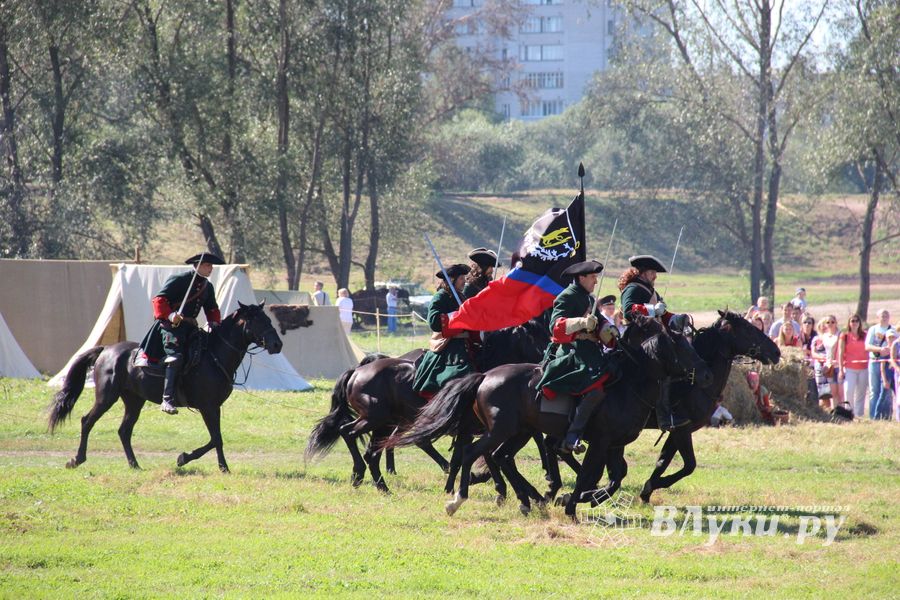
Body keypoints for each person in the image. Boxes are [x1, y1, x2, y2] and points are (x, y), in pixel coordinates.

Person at [536, 260, 618, 453]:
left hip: (591, 351)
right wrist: (581, 322)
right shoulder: (566, 296)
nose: (596, 282)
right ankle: (573, 435)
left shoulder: (589, 299)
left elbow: (599, 324)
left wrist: (609, 330)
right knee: (595, 388)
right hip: (571, 351)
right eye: (592, 277)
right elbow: (555, 326)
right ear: (581, 278)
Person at [139, 252, 225, 415]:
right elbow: (159, 300)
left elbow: (212, 308)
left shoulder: (208, 286)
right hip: (171, 327)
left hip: (191, 328)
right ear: (198, 265)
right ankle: (167, 399)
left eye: (211, 266)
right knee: (176, 358)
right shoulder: (180, 279)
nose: (211, 268)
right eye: (208, 265)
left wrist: (214, 322)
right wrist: (171, 315)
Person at [618, 254, 690, 431]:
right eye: (652, 272)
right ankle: (664, 418)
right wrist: (651, 309)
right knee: (661, 373)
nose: (655, 276)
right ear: (643, 273)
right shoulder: (632, 289)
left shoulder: (651, 291)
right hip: (637, 339)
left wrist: (676, 318)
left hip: (654, 339)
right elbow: (629, 311)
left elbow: (662, 315)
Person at [412, 264, 476, 398]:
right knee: (458, 373)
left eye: (464, 278)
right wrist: (458, 316)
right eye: (461, 278)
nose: (464, 281)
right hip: (449, 346)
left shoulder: (461, 296)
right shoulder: (440, 296)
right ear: (452, 280)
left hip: (466, 343)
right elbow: (434, 321)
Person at [865, 309, 895, 420]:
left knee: (887, 390)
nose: (885, 316)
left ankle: (887, 416)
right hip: (874, 361)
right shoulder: (873, 329)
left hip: (889, 363)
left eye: (887, 314)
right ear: (878, 317)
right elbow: (867, 346)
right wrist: (880, 349)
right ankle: (874, 416)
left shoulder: (893, 330)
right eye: (882, 315)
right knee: (874, 390)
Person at [838, 314, 868, 417]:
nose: (854, 323)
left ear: (859, 323)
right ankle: (849, 413)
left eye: (856, 321)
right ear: (849, 323)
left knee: (861, 393)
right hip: (850, 368)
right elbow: (840, 353)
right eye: (852, 321)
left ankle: (859, 415)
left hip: (864, 368)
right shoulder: (844, 336)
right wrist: (841, 370)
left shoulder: (865, 335)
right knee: (848, 390)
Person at [811, 314, 843, 410]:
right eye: (828, 322)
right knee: (832, 392)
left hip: (838, 365)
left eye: (832, 322)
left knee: (840, 392)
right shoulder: (825, 336)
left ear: (836, 323)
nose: (830, 324)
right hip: (829, 366)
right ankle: (835, 412)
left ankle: (843, 411)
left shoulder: (840, 334)